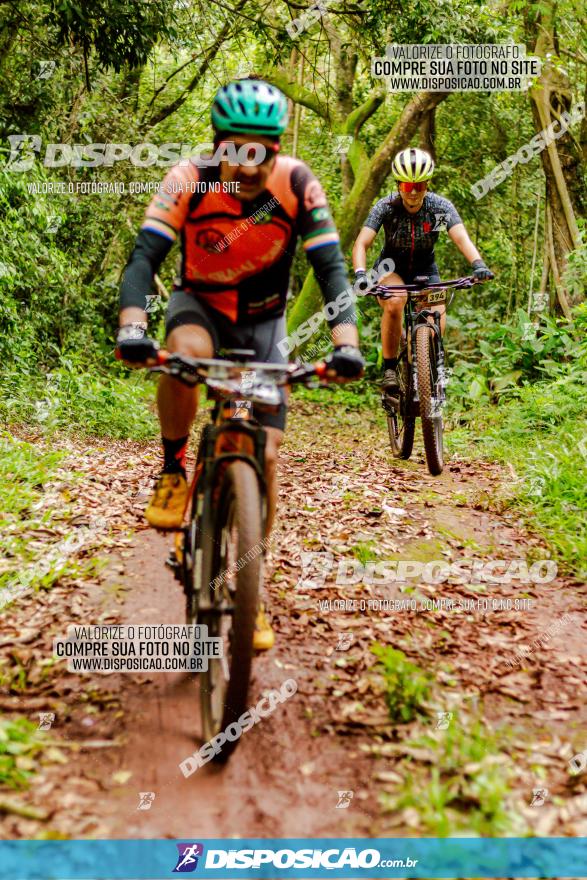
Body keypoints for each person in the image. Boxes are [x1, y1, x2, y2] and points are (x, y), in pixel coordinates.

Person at [116, 78, 364, 649]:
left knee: (268, 453)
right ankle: (174, 469)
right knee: (184, 357)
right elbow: (145, 256)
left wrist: (346, 343)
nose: (250, 164)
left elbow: (330, 270)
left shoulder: (298, 184)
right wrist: (133, 327)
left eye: (264, 150)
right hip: (198, 307)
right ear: (217, 143)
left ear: (278, 148)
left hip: (261, 325)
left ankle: (247, 587)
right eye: (236, 149)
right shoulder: (187, 178)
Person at [352, 147, 493, 394]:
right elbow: (362, 243)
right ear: (398, 185)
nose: (414, 193)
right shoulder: (386, 207)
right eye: (408, 186)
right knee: (396, 301)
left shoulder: (439, 207)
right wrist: (361, 274)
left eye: (420, 186)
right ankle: (389, 370)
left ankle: (425, 365)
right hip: (389, 268)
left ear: (427, 184)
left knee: (436, 317)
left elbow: (461, 238)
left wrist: (478, 264)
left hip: (426, 270)